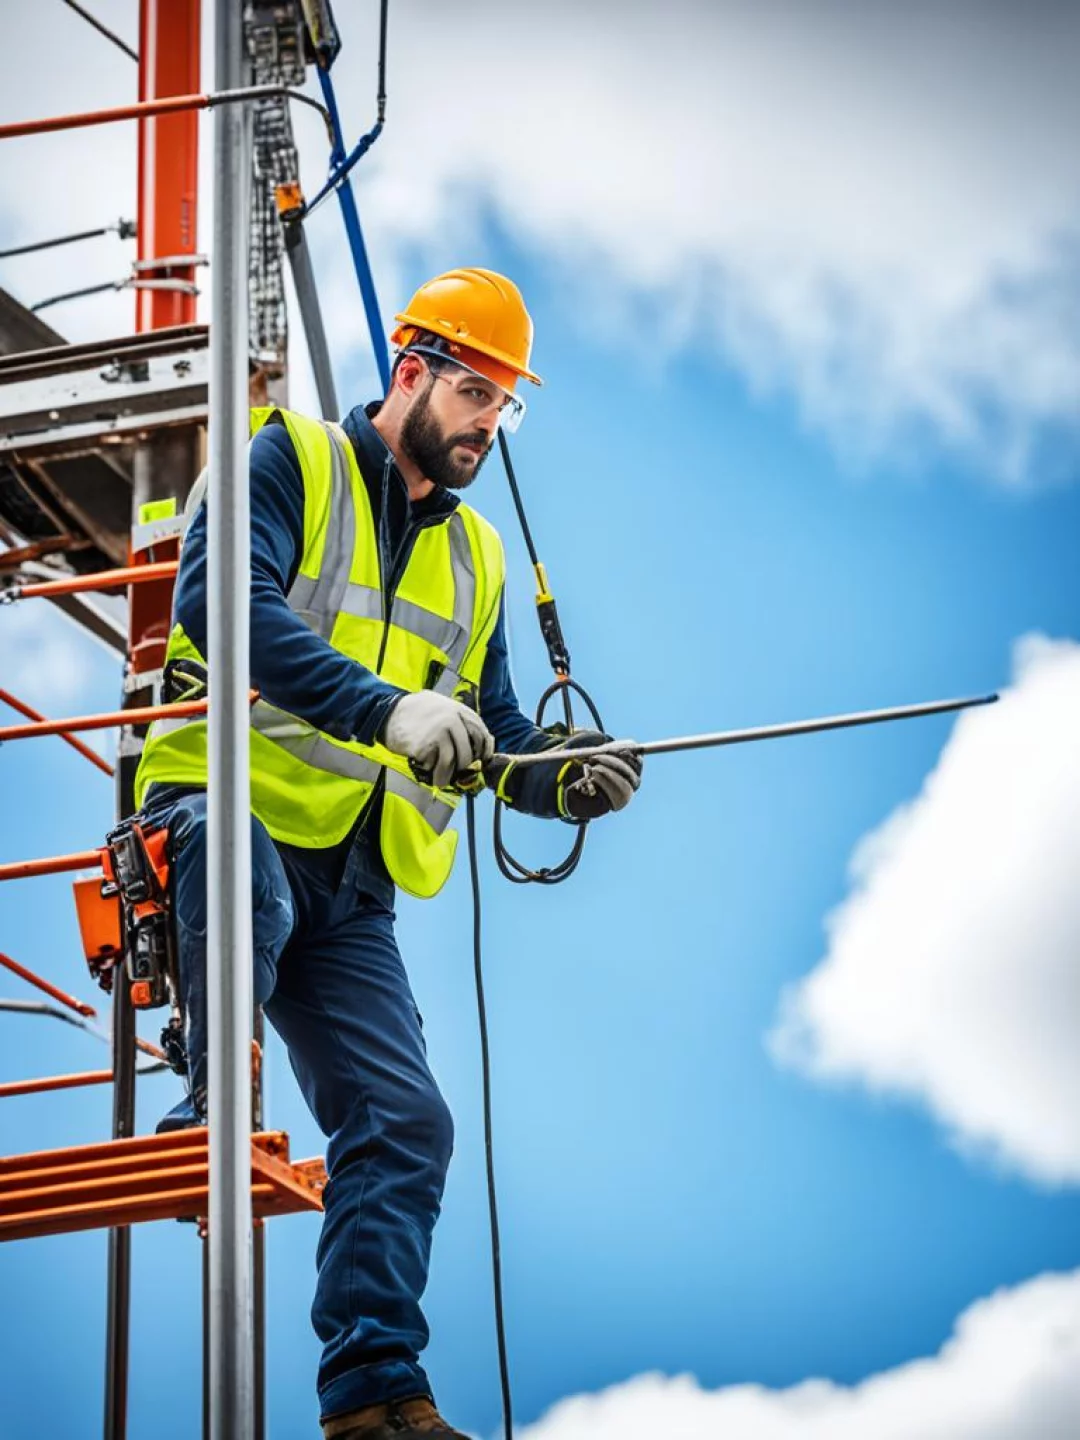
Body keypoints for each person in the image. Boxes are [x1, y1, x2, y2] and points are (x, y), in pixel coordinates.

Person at [132, 268, 642, 1439]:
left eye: (504, 407)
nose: (485, 425)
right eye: (474, 392)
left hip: (351, 886)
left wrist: (560, 778)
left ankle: (374, 1396)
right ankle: (214, 1102)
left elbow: (498, 730)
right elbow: (225, 610)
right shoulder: (286, 462)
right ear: (410, 371)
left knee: (408, 1122)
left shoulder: (479, 559)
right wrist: (386, 713)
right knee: (241, 875)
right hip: (214, 817)